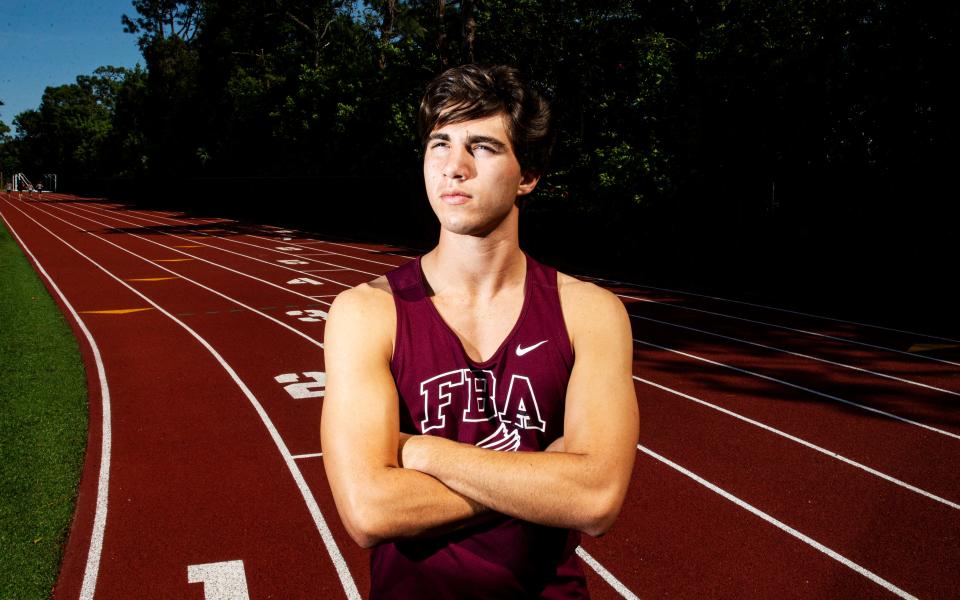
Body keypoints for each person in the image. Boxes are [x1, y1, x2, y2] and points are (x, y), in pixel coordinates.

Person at [321, 64, 639, 599]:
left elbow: (596, 499)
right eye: (439, 144)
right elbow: (370, 510)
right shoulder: (366, 312)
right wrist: (546, 477)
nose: (454, 167)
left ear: (528, 174)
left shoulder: (590, 314)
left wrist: (422, 453)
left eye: (484, 148)